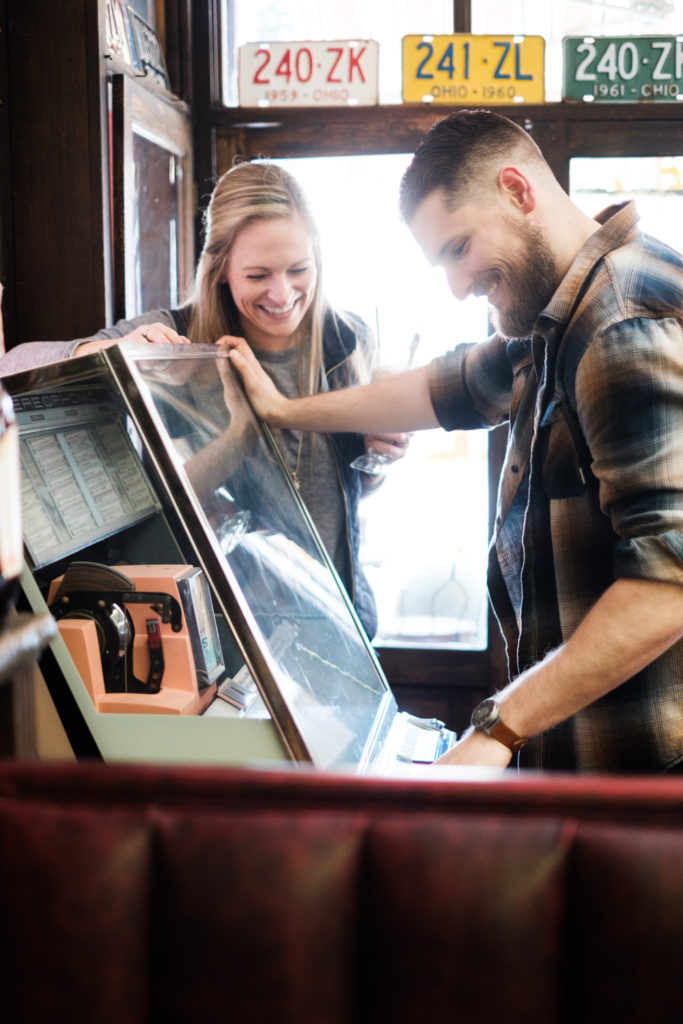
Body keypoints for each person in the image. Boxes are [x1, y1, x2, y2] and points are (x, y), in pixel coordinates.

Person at [225, 109, 683, 775]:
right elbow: (450, 388)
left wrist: (496, 731)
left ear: (517, 191)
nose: (457, 285)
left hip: (641, 779)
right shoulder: (564, 307)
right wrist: (283, 409)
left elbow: (666, 582)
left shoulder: (618, 327)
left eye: (458, 249)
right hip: (586, 760)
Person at [0, 161, 410, 638]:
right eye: (258, 275)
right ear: (220, 271)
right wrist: (116, 351)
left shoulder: (350, 339)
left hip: (343, 619)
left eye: (299, 269)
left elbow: (343, 496)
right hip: (232, 634)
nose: (283, 294)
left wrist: (381, 456)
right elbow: (13, 366)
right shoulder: (179, 338)